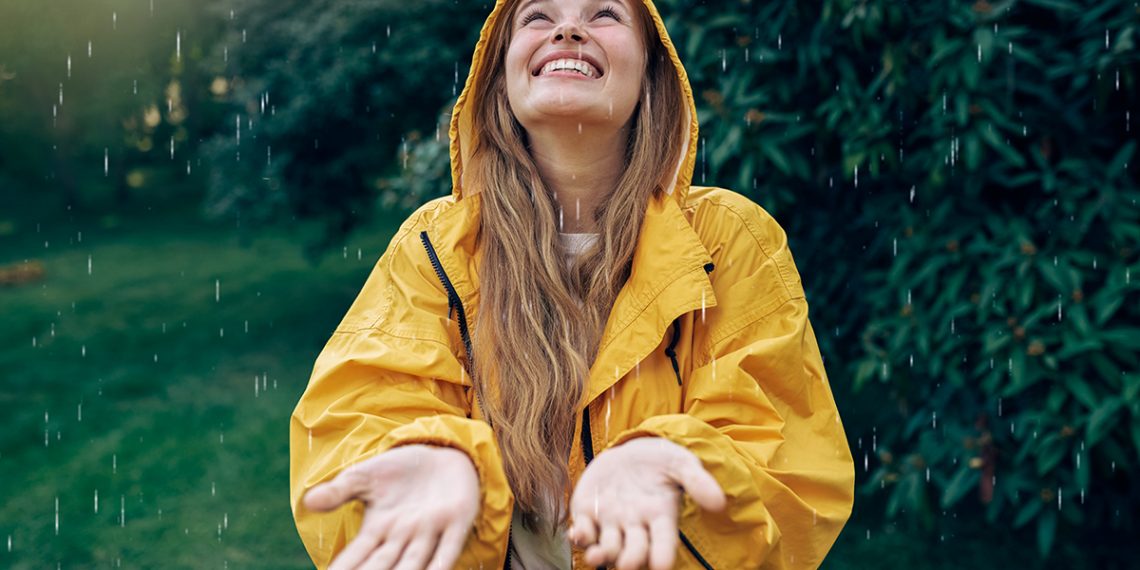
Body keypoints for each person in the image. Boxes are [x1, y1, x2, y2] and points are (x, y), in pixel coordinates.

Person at [289, 0, 856, 568]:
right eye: (537, 17)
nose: (567, 28)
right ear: (500, 71)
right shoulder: (435, 246)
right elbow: (357, 418)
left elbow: (785, 469)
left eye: (605, 14)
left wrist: (673, 465)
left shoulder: (728, 238)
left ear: (651, 73)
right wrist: (435, 454)